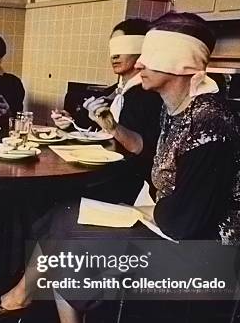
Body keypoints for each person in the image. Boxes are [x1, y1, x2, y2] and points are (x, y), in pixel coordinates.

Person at [0, 11, 240, 323]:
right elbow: (158, 160)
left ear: (182, 62)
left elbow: (185, 223)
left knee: (69, 238)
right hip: (169, 224)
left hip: (200, 254)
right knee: (64, 215)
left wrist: (139, 210)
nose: (138, 63)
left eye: (151, 55)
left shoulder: (211, 125)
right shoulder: (179, 110)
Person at [52, 18, 162, 204]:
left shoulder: (151, 97)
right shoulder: (110, 92)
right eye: (113, 49)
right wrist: (68, 121)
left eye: (122, 47)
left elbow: (146, 149)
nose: (114, 56)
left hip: (121, 183)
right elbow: (89, 125)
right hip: (95, 171)